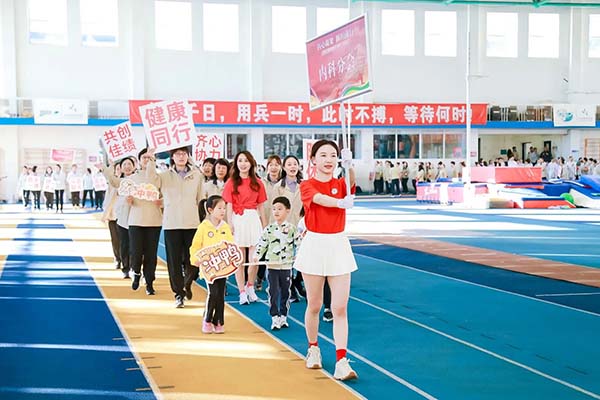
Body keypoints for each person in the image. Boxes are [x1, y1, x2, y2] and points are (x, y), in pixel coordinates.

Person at [293, 139, 358, 381]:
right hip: (315, 245)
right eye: (323, 155)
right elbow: (320, 199)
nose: (329, 159)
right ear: (313, 159)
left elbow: (351, 184)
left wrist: (350, 165)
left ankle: (342, 360)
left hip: (338, 244)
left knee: (339, 307)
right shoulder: (307, 185)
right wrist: (340, 202)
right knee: (314, 304)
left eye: (333, 155)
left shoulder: (341, 183)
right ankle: (313, 348)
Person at [146, 147, 204, 308]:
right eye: (178, 154)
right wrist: (151, 159)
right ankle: (179, 293)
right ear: (172, 157)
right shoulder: (164, 176)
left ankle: (187, 282)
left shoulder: (197, 175)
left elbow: (200, 199)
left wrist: (203, 220)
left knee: (193, 259)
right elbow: (151, 181)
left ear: (188, 156)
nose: (181, 157)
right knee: (174, 261)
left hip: (192, 223)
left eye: (184, 154)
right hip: (172, 224)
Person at [222, 150, 267, 305]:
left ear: (251, 163)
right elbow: (229, 205)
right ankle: (241, 291)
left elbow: (261, 206)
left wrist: (265, 225)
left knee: (254, 259)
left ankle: (250, 286)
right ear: (236, 163)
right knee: (239, 259)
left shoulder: (258, 183)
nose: (243, 164)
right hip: (238, 219)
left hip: (253, 219)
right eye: (240, 160)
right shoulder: (231, 182)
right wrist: (229, 223)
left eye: (246, 161)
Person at [253, 196, 300, 331]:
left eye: (280, 209)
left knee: (285, 292)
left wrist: (298, 256)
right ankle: (274, 316)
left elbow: (298, 244)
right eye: (274, 209)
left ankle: (283, 316)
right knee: (273, 292)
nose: (276, 212)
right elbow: (262, 244)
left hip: (286, 266)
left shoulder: (292, 229)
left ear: (287, 211)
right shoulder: (269, 229)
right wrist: (256, 256)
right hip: (272, 266)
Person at [189, 195, 232, 334]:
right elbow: (195, 246)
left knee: (221, 295)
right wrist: (195, 259)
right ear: (210, 210)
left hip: (223, 268)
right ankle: (207, 319)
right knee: (213, 293)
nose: (223, 211)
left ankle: (218, 321)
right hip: (209, 269)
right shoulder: (203, 227)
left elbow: (231, 245)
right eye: (219, 208)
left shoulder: (225, 227)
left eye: (224, 208)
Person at [128, 149, 163, 296]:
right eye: (144, 157)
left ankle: (149, 282)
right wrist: (129, 200)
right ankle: (136, 272)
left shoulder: (157, 178)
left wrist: (161, 202)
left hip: (154, 220)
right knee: (136, 252)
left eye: (150, 158)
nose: (147, 160)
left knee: (151, 254)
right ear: (139, 160)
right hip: (136, 220)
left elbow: (164, 196)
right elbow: (125, 195)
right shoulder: (132, 178)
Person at [101, 157, 137, 279]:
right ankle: (125, 266)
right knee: (123, 242)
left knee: (135, 244)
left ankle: (134, 267)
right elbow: (110, 183)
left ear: (134, 166)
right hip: (119, 216)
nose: (127, 167)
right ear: (120, 168)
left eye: (129, 164)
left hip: (135, 216)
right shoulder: (117, 182)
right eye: (124, 165)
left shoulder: (138, 180)